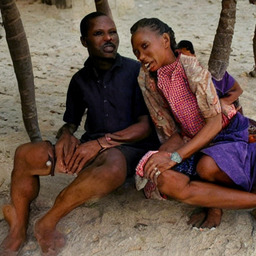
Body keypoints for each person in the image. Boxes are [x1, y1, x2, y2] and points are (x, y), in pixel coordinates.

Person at [0, 12, 160, 255]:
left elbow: (145, 126)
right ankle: (19, 225)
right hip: (91, 149)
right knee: (25, 153)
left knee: (114, 164)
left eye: (112, 32)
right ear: (84, 41)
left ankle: (48, 221)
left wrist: (101, 143)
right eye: (99, 33)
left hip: (128, 150)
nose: (108, 38)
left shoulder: (135, 72)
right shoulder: (79, 80)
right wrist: (66, 135)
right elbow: (71, 122)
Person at [129, 17, 256, 230]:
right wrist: (162, 156)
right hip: (194, 141)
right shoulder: (148, 79)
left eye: (144, 46)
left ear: (166, 40)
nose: (141, 56)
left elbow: (215, 122)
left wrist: (176, 156)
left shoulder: (190, 67)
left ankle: (215, 207)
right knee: (161, 176)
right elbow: (172, 130)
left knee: (207, 166)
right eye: (136, 52)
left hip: (226, 134)